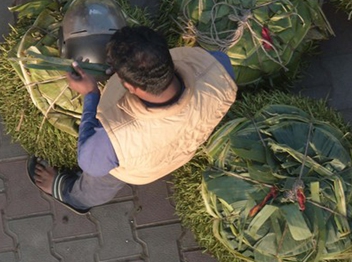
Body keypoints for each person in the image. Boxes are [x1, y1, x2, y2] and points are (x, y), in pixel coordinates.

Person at [31, 26, 238, 212]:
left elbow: (89, 161)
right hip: (181, 144)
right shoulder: (217, 66)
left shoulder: (115, 138)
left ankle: (72, 196)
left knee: (98, 186)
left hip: (138, 166)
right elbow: (221, 63)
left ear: (131, 87)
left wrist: (91, 94)